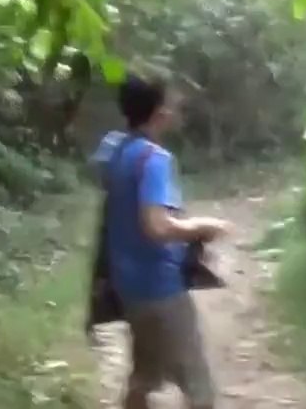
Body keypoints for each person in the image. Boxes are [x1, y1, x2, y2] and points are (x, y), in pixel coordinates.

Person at [91, 73, 231, 409]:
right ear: (160, 113)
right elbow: (156, 226)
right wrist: (202, 226)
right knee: (199, 390)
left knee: (145, 376)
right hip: (160, 289)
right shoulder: (154, 159)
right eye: (173, 101)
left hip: (128, 287)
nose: (178, 106)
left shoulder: (116, 149)